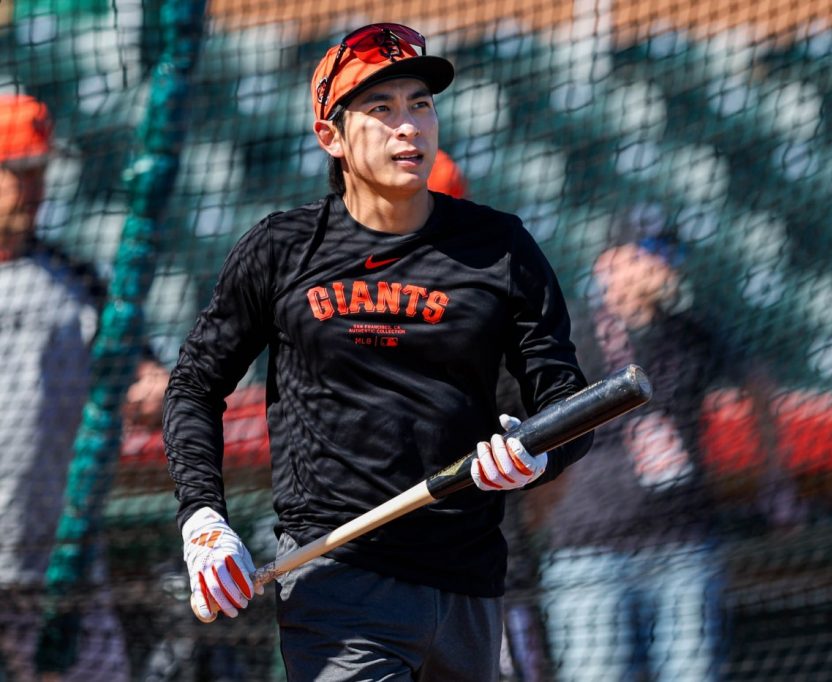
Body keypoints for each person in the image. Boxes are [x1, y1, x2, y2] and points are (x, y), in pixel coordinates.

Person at [162, 22, 592, 682]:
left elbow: (565, 399)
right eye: (381, 109)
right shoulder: (280, 250)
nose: (409, 127)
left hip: (470, 588)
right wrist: (203, 519)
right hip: (339, 580)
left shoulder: (500, 246)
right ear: (330, 137)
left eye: (420, 104)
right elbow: (194, 386)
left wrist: (538, 450)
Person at [539, 231, 801, 681]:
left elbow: (757, 381)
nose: (664, 264)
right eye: (648, 254)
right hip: (591, 547)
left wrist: (774, 476)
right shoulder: (572, 332)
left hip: (682, 542)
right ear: (609, 264)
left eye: (668, 254)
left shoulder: (691, 331)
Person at [0, 93, 168, 681]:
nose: (33, 188)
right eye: (18, 172)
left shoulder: (76, 280)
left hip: (57, 557)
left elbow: (141, 378)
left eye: (39, 171)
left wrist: (155, 391)